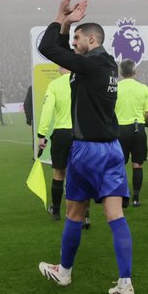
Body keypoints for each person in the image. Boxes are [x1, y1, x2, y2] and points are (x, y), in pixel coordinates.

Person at [37, 0, 134, 294]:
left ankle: (64, 272)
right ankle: (125, 282)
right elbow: (63, 51)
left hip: (87, 151)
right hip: (112, 149)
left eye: (78, 39)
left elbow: (46, 47)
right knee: (115, 216)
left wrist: (59, 15)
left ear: (91, 40)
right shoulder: (108, 65)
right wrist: (68, 26)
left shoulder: (90, 66)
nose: (74, 44)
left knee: (75, 214)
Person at [36, 72, 89, 228]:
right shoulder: (84, 80)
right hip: (81, 133)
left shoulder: (55, 84)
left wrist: (42, 134)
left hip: (62, 133)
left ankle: (56, 210)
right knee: (82, 174)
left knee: (59, 173)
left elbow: (47, 110)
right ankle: (85, 215)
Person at [115, 60, 148, 207]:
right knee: (137, 164)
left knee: (120, 165)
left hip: (120, 130)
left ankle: (124, 196)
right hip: (138, 129)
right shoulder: (143, 88)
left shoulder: (115, 88)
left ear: (121, 72)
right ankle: (136, 198)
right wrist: (147, 123)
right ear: (134, 71)